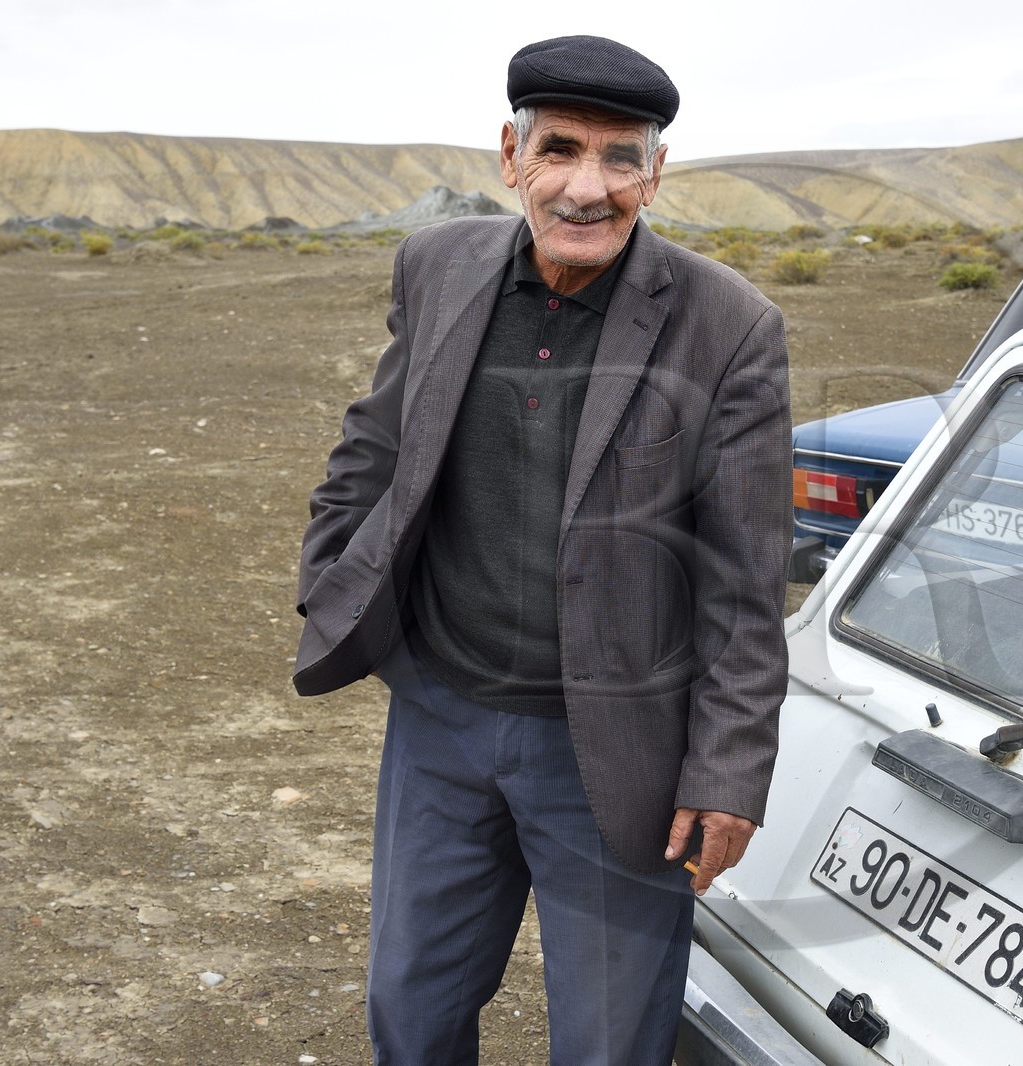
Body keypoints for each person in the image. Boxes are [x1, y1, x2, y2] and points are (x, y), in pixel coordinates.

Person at [291, 35, 792, 1066]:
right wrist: (329, 576)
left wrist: (729, 770)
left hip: (613, 749)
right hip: (441, 717)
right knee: (410, 1009)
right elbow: (375, 439)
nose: (586, 187)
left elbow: (745, 577)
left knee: (612, 1041)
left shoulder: (727, 324)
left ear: (656, 174)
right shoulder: (437, 265)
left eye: (620, 159)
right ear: (509, 156)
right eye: (560, 149)